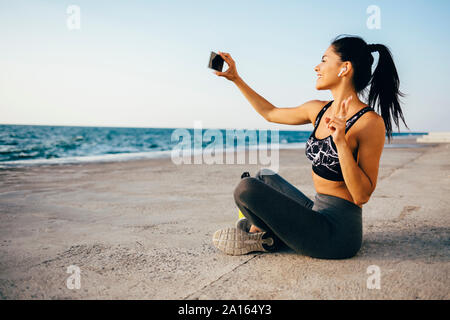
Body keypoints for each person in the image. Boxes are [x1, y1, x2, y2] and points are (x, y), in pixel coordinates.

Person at [211, 34, 408, 259]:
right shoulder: (318, 109)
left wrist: (341, 142)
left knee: (246, 188)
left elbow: (361, 195)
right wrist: (237, 79)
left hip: (337, 236)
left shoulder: (369, 122)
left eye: (324, 60)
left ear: (344, 68)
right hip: (316, 212)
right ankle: (265, 232)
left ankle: (262, 233)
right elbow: (270, 113)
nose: (317, 67)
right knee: (263, 176)